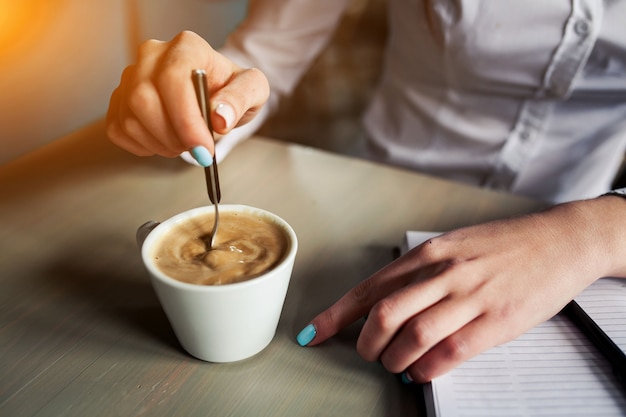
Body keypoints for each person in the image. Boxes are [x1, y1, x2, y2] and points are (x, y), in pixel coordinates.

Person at [106, 0, 626, 383]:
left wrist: (594, 234)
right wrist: (201, 104)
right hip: (367, 222)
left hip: (579, 250)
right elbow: (269, 52)